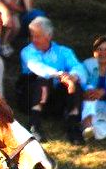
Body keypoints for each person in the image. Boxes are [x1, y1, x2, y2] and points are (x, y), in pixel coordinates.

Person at [17, 16, 85, 144]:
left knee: (76, 84)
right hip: (29, 97)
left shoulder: (64, 51)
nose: (33, 39)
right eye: (32, 36)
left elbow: (78, 67)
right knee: (44, 79)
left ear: (48, 36)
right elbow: (37, 67)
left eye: (37, 36)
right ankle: (34, 124)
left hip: (54, 100)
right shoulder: (27, 51)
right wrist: (59, 74)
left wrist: (73, 77)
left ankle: (73, 125)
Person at [79, 35, 106, 141]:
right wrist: (87, 90)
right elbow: (81, 80)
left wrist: (104, 92)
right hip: (91, 104)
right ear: (94, 53)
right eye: (99, 50)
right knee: (90, 89)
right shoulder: (87, 64)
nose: (103, 53)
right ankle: (87, 126)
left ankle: (94, 131)